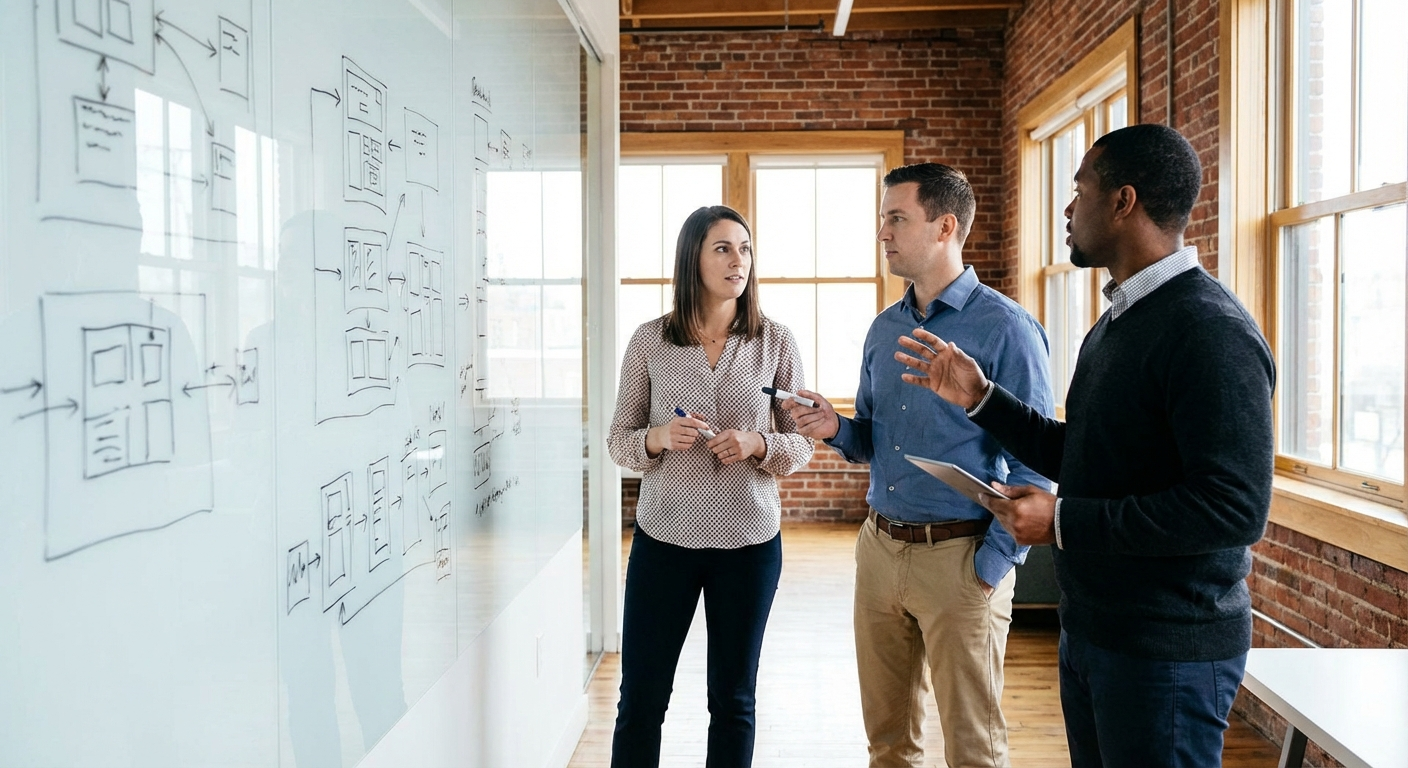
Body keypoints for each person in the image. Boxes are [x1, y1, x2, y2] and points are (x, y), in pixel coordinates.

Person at [895, 124, 1274, 767]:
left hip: (1165, 651)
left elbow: (1232, 509)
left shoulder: (1209, 330)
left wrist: (1062, 521)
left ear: (1123, 202)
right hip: (1097, 632)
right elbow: (1091, 452)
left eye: (1081, 190)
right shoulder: (1121, 319)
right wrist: (983, 399)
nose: (1068, 209)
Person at [781, 163, 1055, 768]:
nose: (883, 232)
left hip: (962, 561)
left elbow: (1036, 464)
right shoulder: (884, 330)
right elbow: (872, 440)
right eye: (883, 219)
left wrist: (989, 569)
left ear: (945, 227)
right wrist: (835, 429)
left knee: (974, 751)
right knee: (887, 747)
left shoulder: (1007, 329)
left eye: (897, 218)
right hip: (879, 555)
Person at [606, 205, 814, 768]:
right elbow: (619, 441)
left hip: (749, 545)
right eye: (723, 248)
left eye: (744, 249)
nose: (737, 261)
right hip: (664, 542)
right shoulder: (649, 341)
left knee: (734, 700)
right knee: (641, 700)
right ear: (692, 258)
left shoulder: (776, 341)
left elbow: (802, 445)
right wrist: (657, 438)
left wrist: (758, 444)